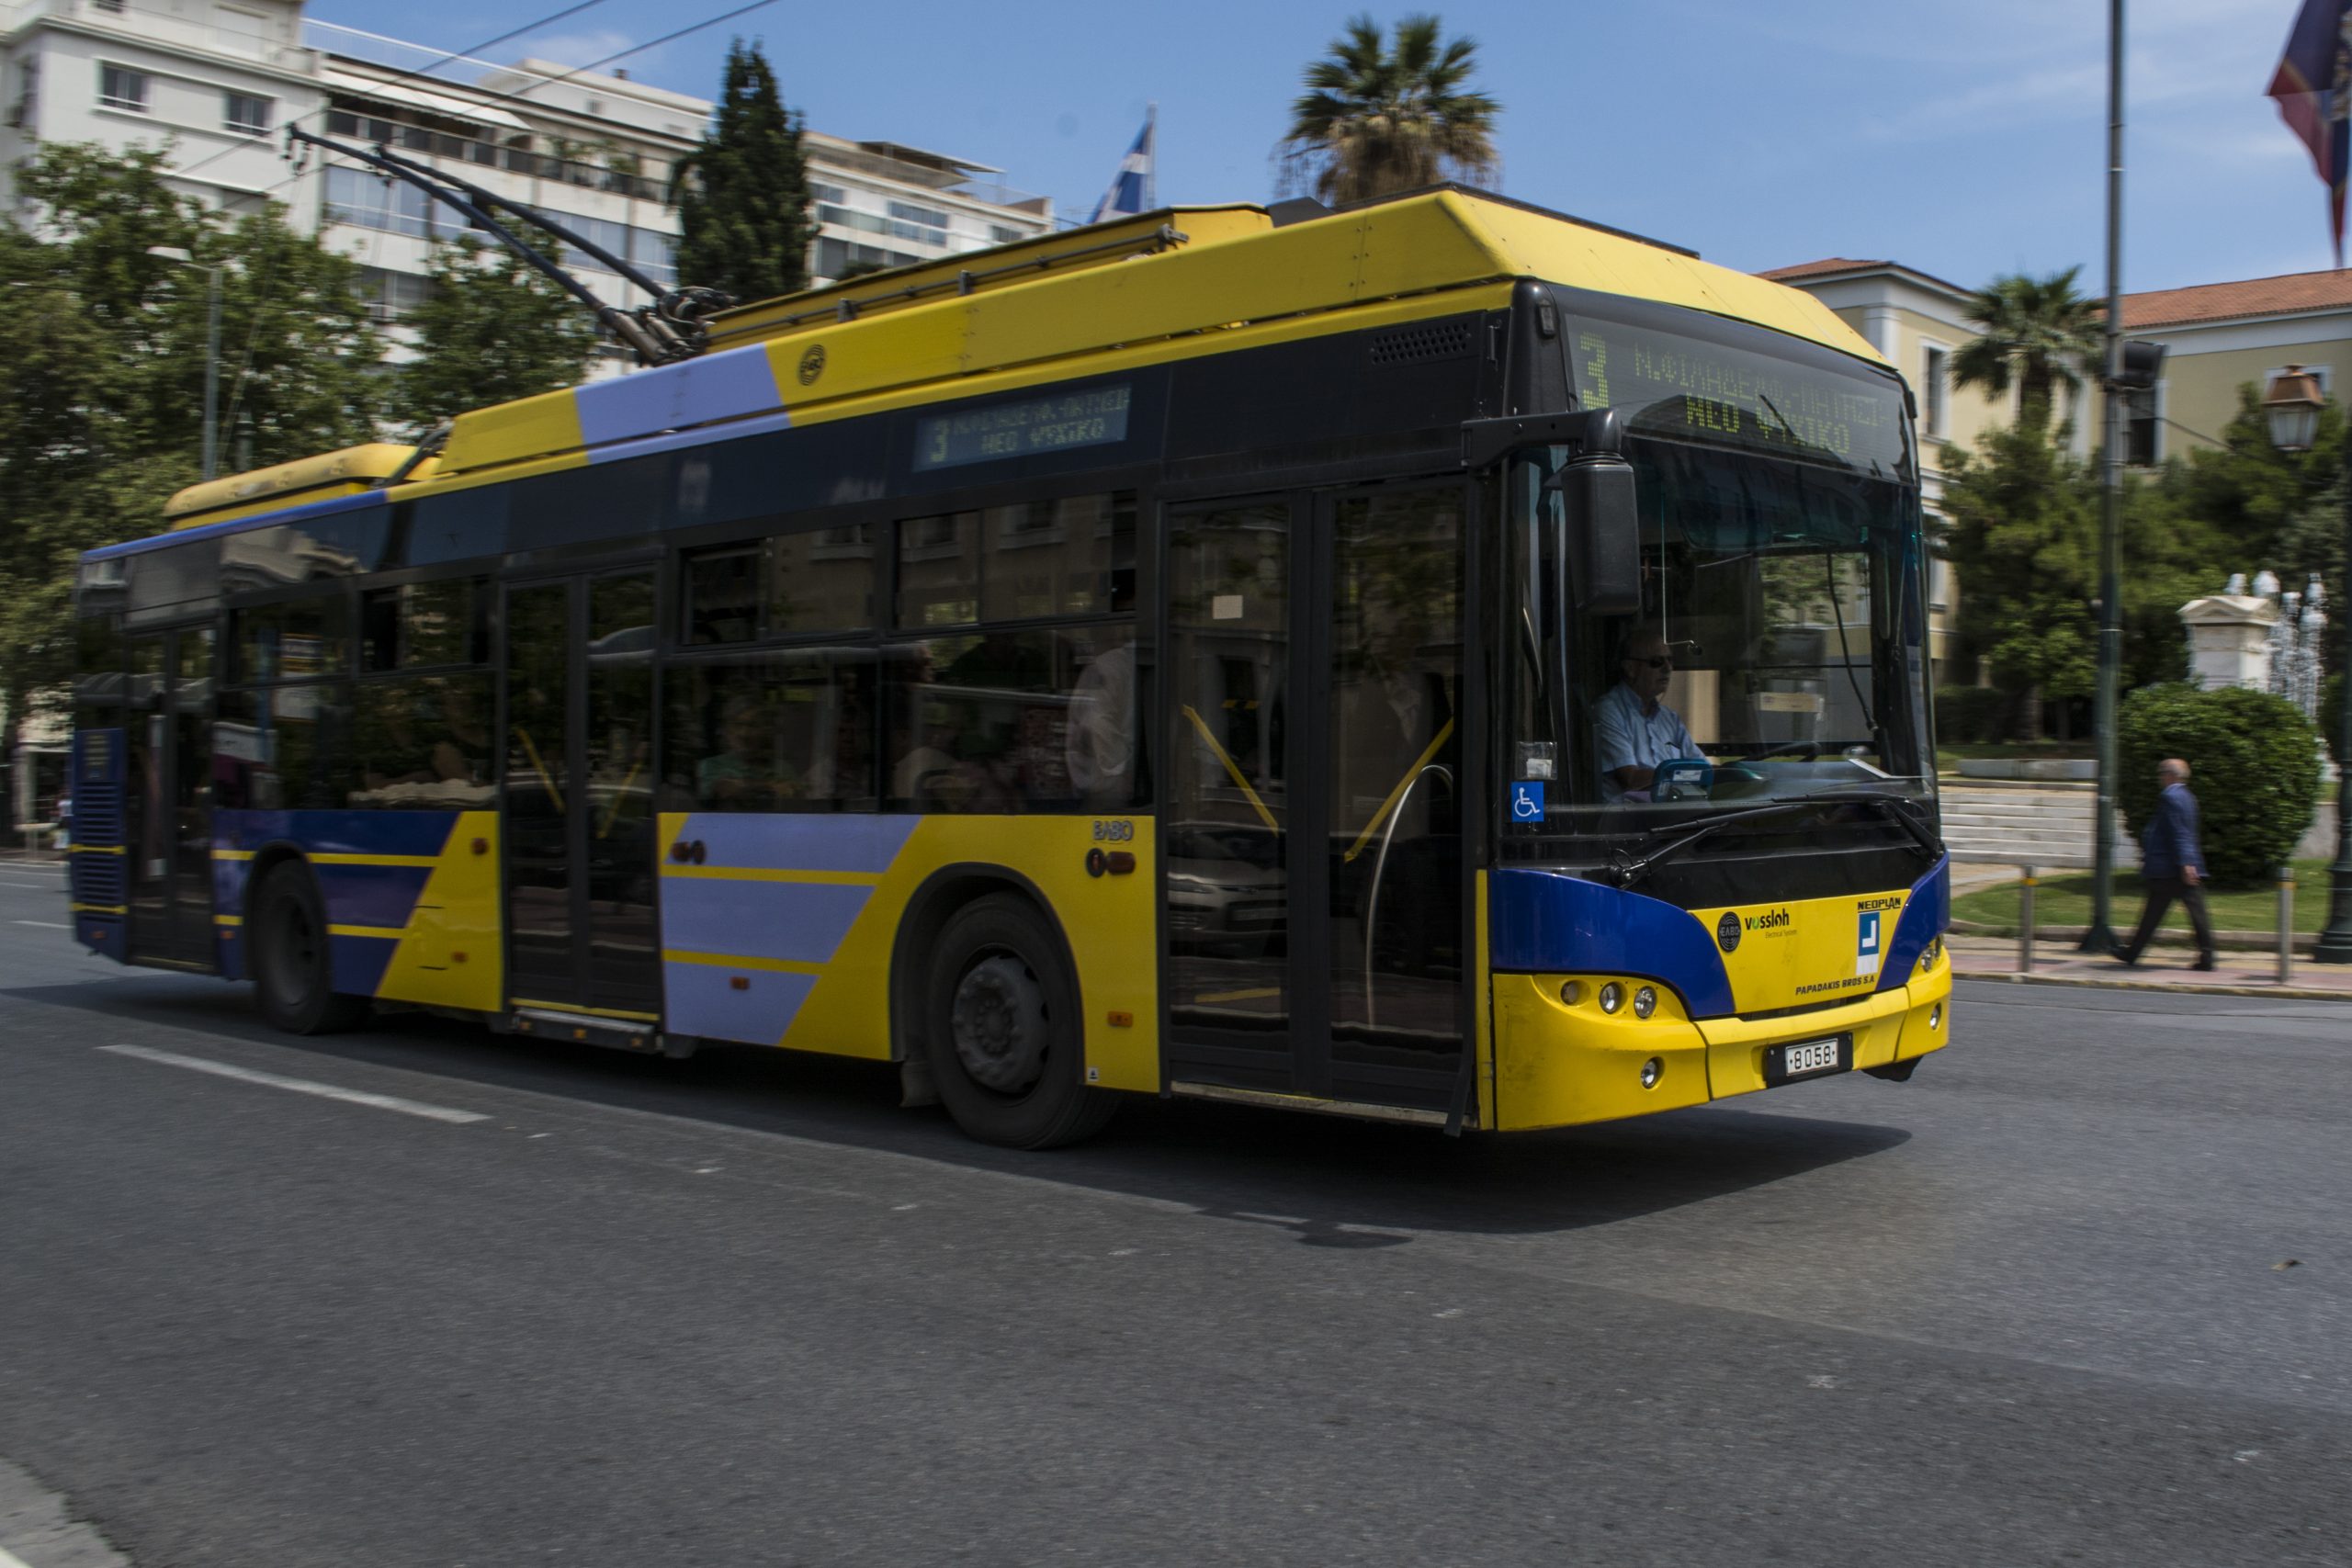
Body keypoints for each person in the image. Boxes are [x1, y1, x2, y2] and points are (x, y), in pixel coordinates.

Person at [2115, 757, 2216, 971]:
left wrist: (2185, 863)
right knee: (2189, 913)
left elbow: (2179, 832)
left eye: (2161, 773)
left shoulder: (2170, 796)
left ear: (2170, 775)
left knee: (2156, 914)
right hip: (2177, 867)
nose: (2159, 778)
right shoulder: (2188, 796)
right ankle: (2133, 953)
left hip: (2170, 868)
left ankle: (2132, 953)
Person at [1595, 626, 1704, 803]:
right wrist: (1685, 775)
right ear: (1630, 668)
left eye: (1670, 660)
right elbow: (1631, 779)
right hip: (1629, 817)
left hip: (1673, 812)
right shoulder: (1609, 710)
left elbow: (1703, 769)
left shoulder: (1670, 719)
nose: (1668, 668)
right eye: (1657, 662)